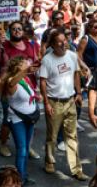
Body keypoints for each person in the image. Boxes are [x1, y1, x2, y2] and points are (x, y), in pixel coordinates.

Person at [39, 30, 87, 181]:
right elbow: (42, 82)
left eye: (64, 40)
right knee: (52, 136)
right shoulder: (47, 60)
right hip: (54, 102)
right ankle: (49, 161)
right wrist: (46, 103)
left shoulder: (72, 56)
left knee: (72, 137)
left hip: (70, 101)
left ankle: (76, 169)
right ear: (52, 44)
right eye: (59, 41)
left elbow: (76, 74)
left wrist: (78, 93)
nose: (63, 43)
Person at [0, 56, 40, 186]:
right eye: (24, 63)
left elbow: (26, 95)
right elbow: (12, 83)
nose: (28, 64)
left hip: (29, 118)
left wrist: (36, 98)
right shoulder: (12, 80)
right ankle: (18, 181)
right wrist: (26, 70)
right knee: (21, 150)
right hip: (18, 120)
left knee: (26, 149)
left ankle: (22, 175)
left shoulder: (25, 79)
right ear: (18, 67)